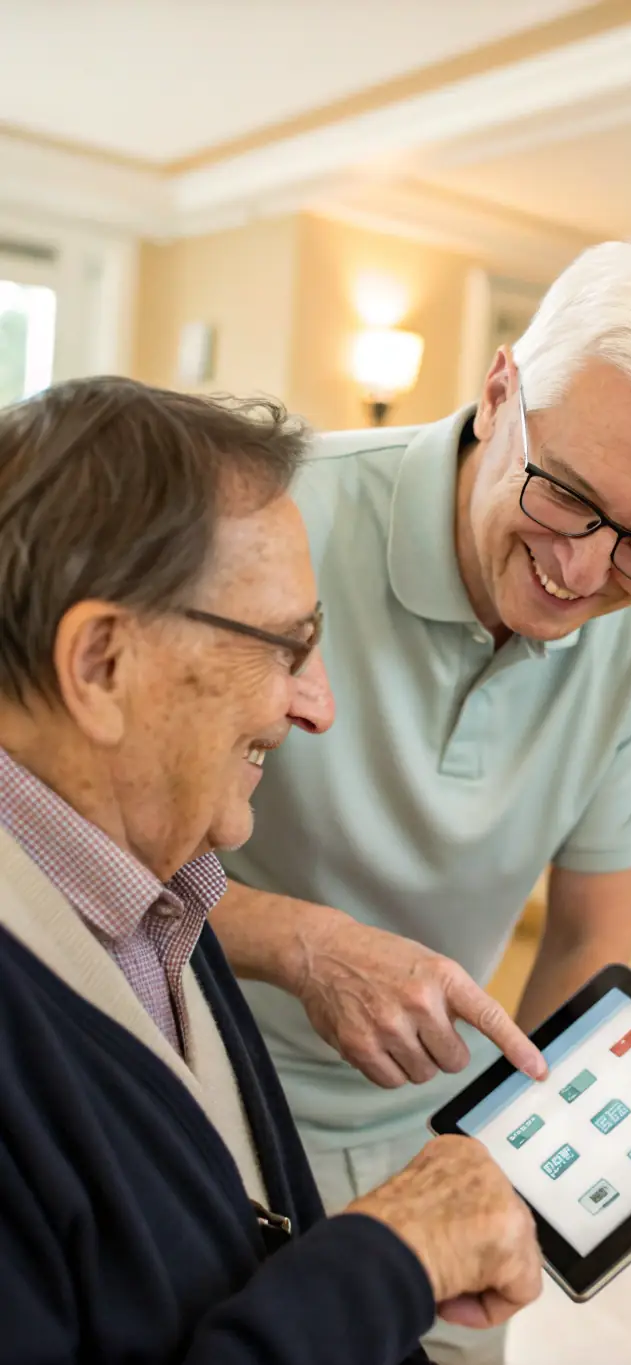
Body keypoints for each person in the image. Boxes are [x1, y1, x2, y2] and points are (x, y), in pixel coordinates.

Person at [215, 235, 631, 1363]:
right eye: (567, 495)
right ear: (498, 389)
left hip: (446, 1131)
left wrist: (504, 1154)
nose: (582, 574)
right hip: (210, 1105)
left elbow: (590, 933)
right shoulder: (275, 522)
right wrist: (306, 944)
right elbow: (56, 850)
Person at [0, 377, 543, 1365]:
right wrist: (393, 1257)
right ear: (100, 666)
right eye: (287, 648)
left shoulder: (165, 889)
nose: (316, 707)